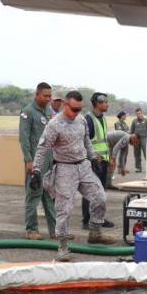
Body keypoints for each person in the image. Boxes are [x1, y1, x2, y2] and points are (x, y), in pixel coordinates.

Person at [32, 91, 117, 261]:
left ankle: (95, 232)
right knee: (64, 209)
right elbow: (43, 148)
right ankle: (62, 247)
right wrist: (36, 171)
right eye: (73, 109)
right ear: (65, 105)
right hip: (65, 169)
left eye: (79, 109)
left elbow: (86, 141)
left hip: (83, 165)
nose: (76, 113)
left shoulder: (81, 120)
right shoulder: (54, 125)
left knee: (99, 197)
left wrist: (93, 157)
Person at [18, 82, 58, 240]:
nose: (48, 99)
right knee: (34, 194)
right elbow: (24, 138)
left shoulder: (48, 111)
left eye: (50, 96)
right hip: (35, 161)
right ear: (37, 94)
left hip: (49, 161)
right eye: (45, 96)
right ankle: (31, 230)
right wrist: (28, 160)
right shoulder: (28, 112)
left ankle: (55, 231)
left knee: (49, 196)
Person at [82, 92, 115, 229]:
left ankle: (98, 218)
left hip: (103, 161)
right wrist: (94, 157)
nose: (107, 104)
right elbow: (84, 141)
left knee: (100, 192)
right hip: (93, 162)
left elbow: (103, 141)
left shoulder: (102, 118)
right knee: (91, 191)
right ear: (97, 103)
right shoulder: (89, 120)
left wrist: (109, 157)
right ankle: (87, 220)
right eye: (105, 102)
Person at [130, 107, 147, 173]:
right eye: (137, 114)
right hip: (136, 140)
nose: (138, 115)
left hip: (144, 139)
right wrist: (131, 137)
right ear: (136, 114)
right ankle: (138, 168)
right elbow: (131, 131)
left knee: (146, 154)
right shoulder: (134, 121)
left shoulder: (146, 120)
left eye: (139, 113)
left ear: (142, 113)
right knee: (137, 154)